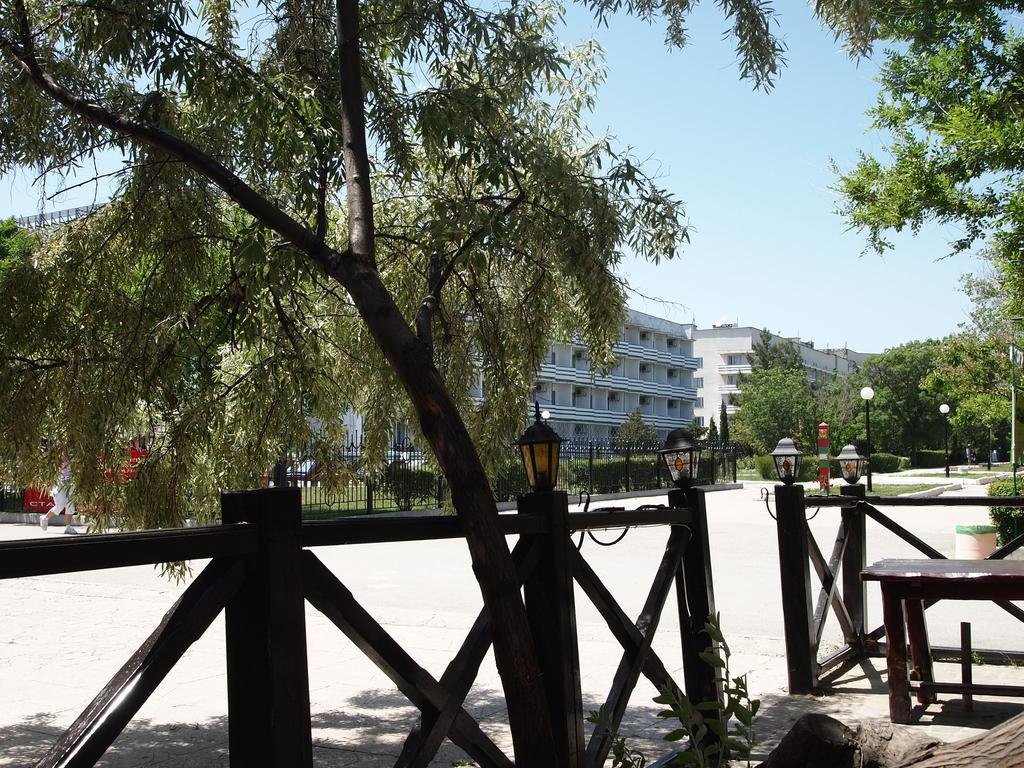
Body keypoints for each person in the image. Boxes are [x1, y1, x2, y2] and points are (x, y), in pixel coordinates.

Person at [39, 462, 79, 534]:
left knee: (70, 506)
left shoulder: (74, 458)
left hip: (71, 485)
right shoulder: (57, 458)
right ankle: (45, 518)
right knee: (60, 505)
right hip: (59, 485)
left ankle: (68, 527)